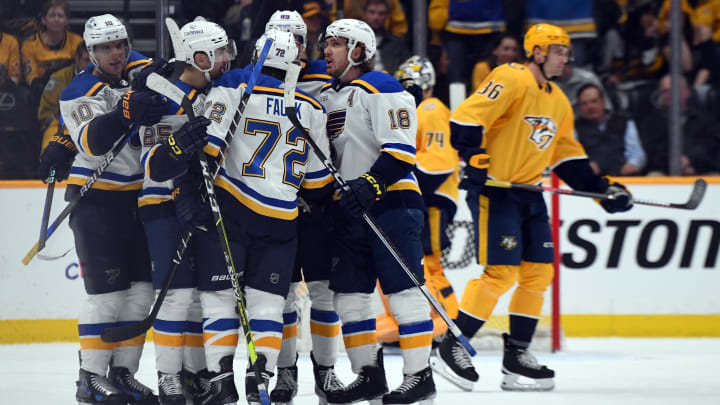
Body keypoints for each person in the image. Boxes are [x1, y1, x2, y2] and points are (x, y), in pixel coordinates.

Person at [433, 23, 633, 392]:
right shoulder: (511, 77)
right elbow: (466, 117)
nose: (565, 57)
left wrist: (602, 189)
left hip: (529, 193)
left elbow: (566, 158)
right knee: (502, 273)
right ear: (538, 51)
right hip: (497, 191)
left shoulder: (557, 99)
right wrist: (474, 156)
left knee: (539, 273)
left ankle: (518, 356)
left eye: (566, 51)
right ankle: (451, 343)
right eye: (559, 50)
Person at [195, 29, 334, 405]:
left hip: (232, 211)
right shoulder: (310, 106)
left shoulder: (235, 85)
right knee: (268, 305)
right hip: (281, 219)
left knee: (220, 300)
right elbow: (320, 184)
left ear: (257, 56)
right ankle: (262, 381)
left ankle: (222, 382)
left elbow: (206, 149)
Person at [318, 18, 436, 405]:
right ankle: (368, 374)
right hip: (350, 209)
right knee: (349, 296)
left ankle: (420, 376)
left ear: (357, 50)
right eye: (326, 44)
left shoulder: (382, 86)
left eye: (335, 44)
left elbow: (401, 151)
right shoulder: (329, 95)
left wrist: (369, 184)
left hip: (393, 203)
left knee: (403, 292)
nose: (326, 51)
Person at [57, 13, 166, 405]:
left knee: (140, 293)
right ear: (91, 52)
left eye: (120, 44)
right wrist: (125, 112)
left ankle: (123, 373)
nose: (116, 53)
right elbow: (92, 144)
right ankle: (89, 378)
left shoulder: (138, 69)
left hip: (136, 202)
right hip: (97, 202)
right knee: (106, 295)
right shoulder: (78, 90)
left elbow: (161, 77)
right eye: (105, 47)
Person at [138, 20, 235, 405]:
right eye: (222, 51)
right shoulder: (162, 95)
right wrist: (177, 152)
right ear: (201, 56)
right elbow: (153, 167)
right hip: (162, 205)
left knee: (199, 298)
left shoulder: (217, 93)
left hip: (203, 204)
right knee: (176, 297)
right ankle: (168, 378)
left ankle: (195, 374)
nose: (229, 58)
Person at [261, 10, 344, 405]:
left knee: (324, 292)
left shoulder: (327, 82)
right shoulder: (251, 82)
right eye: (281, 38)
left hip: (320, 204)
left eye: (295, 38)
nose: (289, 46)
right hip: (270, 205)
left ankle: (326, 373)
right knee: (282, 297)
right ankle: (285, 372)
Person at [375, 56, 460, 345]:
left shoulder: (431, 108)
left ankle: (445, 320)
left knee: (430, 264)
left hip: (433, 199)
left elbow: (438, 162)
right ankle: (418, 320)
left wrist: (399, 180)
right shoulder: (413, 110)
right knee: (407, 263)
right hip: (421, 198)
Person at [638, 74, 720, 176]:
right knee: (653, 177)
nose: (669, 94)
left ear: (686, 91)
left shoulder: (704, 119)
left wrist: (690, 160)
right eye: (665, 91)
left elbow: (711, 145)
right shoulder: (652, 122)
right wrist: (674, 162)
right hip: (664, 172)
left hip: (701, 170)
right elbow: (651, 151)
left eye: (673, 90)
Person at [575, 83, 646, 176]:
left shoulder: (625, 122)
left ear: (603, 102)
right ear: (579, 108)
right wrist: (583, 166)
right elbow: (571, 158)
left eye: (594, 101)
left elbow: (637, 154)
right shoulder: (574, 128)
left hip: (623, 179)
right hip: (591, 181)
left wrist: (632, 164)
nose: (590, 107)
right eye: (584, 103)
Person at [37, 41, 89, 152]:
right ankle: (49, 169)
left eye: (95, 60)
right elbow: (46, 115)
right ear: (77, 59)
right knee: (50, 147)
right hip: (61, 124)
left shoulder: (105, 75)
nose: (91, 65)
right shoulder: (59, 78)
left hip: (94, 125)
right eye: (87, 60)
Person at [20, 0, 83, 90]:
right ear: (43, 20)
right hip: (41, 89)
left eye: (60, 16)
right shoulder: (29, 44)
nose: (56, 19)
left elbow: (83, 71)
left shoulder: (77, 41)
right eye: (52, 16)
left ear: (66, 20)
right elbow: (31, 78)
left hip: (71, 88)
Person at [363, 0, 410, 74]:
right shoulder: (356, 41)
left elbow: (407, 67)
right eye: (372, 12)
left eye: (381, 14)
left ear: (387, 16)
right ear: (365, 14)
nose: (376, 17)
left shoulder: (397, 43)